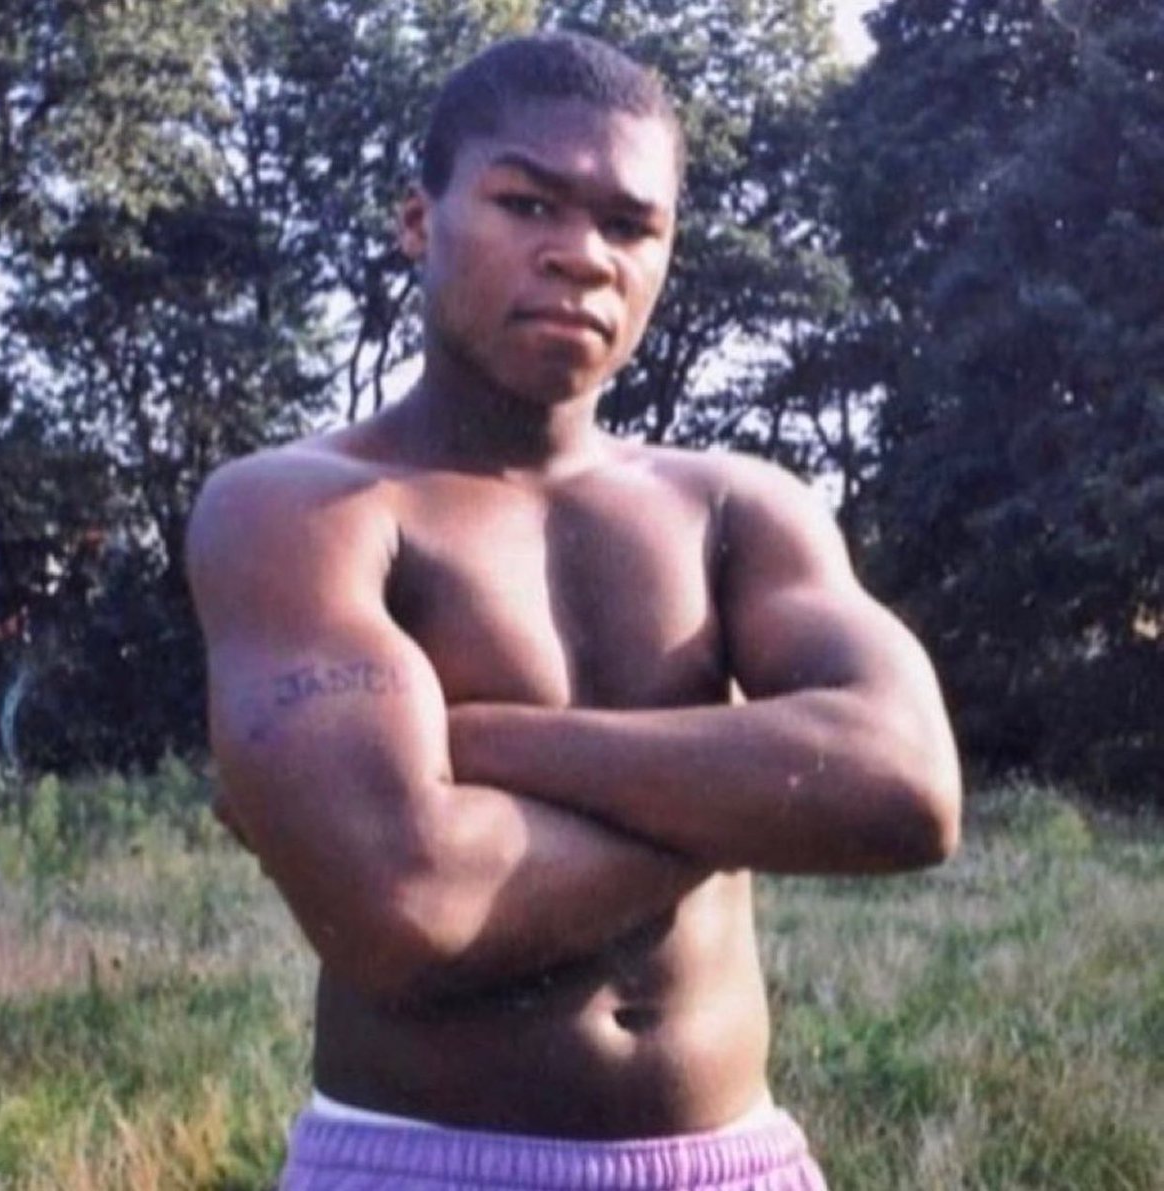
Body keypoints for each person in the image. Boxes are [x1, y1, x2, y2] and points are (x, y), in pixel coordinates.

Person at [186, 31, 961, 1191]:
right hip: (421, 1167)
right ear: (419, 221)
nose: (582, 257)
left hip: (740, 1164)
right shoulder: (298, 510)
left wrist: (485, 743)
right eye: (528, 203)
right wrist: (759, 795)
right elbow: (410, 907)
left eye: (629, 226)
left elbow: (907, 791)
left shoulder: (738, 505)